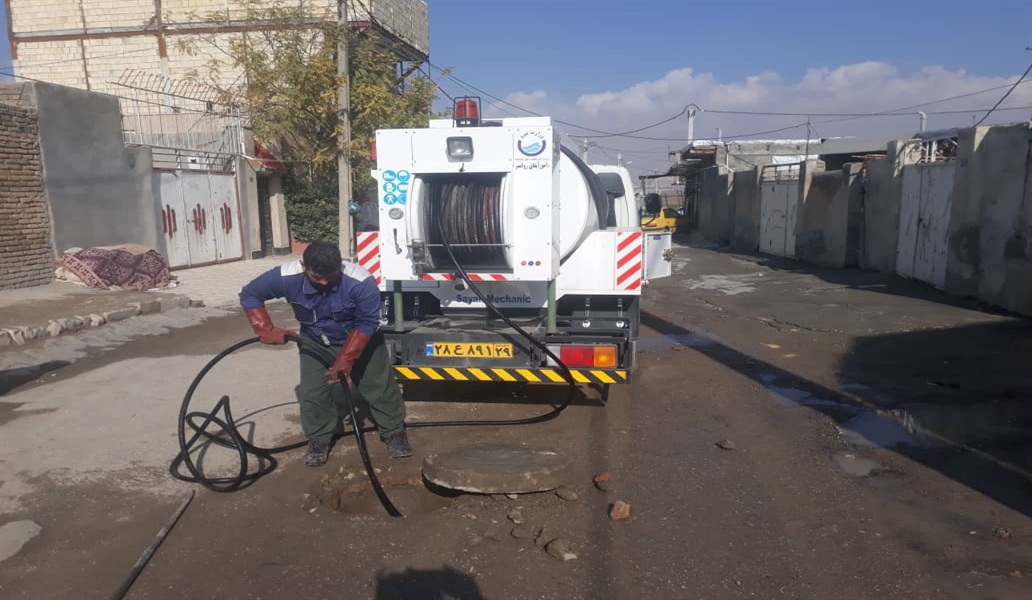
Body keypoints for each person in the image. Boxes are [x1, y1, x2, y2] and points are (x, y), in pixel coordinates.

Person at [238, 241, 412, 466]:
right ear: (303, 266)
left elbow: (368, 321)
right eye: (316, 277)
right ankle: (319, 438)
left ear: (340, 266)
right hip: (315, 342)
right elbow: (250, 294)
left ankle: (394, 432)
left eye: (330, 277)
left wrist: (346, 358)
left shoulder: (360, 281)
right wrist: (266, 329)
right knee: (314, 393)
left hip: (363, 340)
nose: (324, 282)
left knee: (379, 387)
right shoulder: (285, 277)